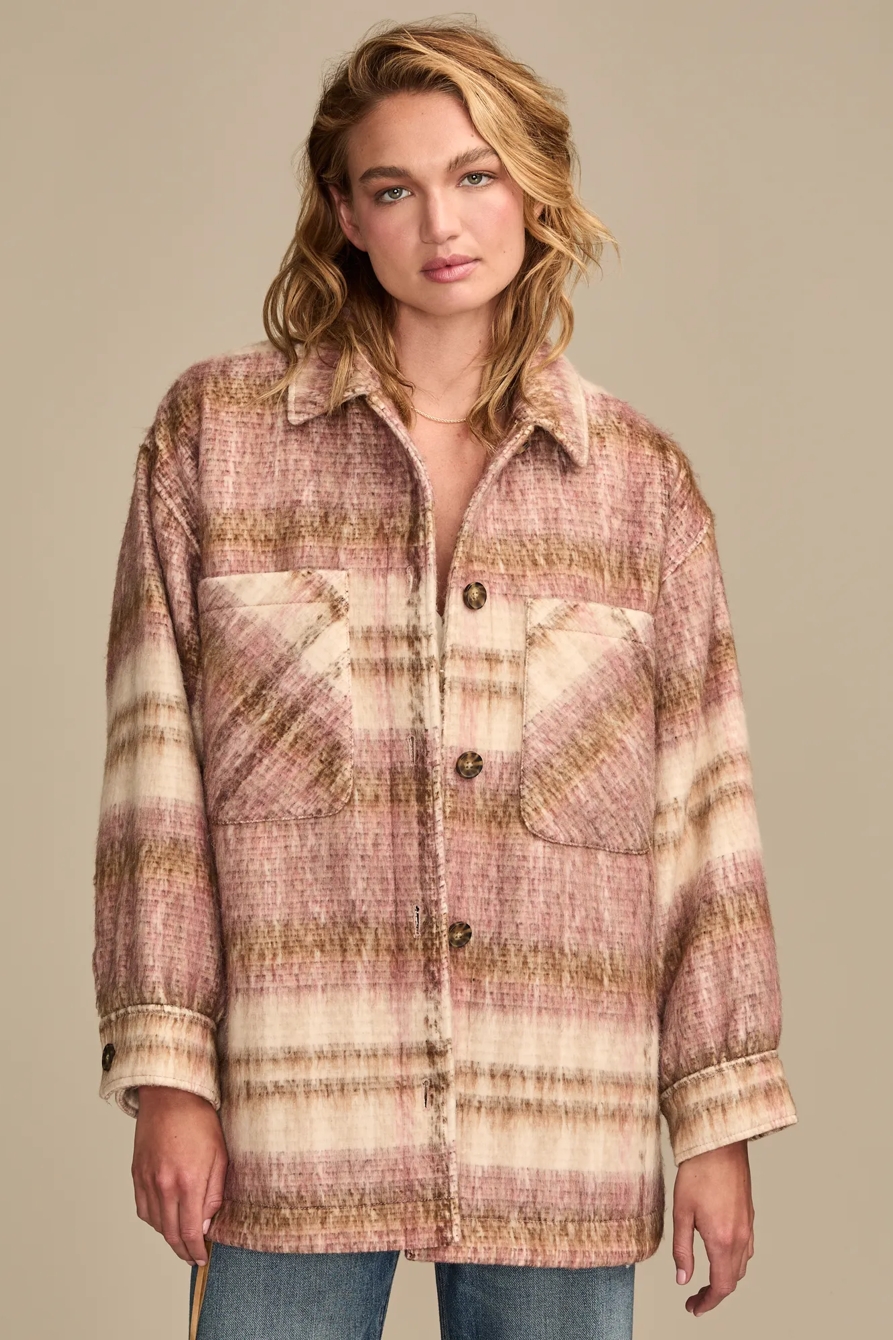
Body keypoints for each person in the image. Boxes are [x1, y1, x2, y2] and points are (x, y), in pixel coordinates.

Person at [91, 18, 798, 1340]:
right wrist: (169, 1071)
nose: (442, 223)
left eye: (475, 174)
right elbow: (154, 785)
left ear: (532, 188)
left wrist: (715, 1118)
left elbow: (704, 822)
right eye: (393, 187)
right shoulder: (214, 445)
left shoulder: (639, 489)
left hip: (562, 1111)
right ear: (344, 215)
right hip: (292, 1109)